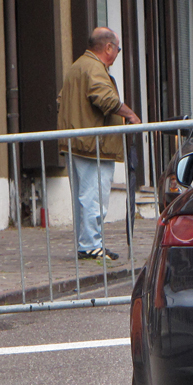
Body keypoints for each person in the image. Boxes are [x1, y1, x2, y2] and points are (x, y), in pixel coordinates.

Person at [58, 27, 141, 261]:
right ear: (107, 48)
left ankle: (89, 243)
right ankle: (90, 245)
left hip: (76, 142)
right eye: (117, 49)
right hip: (93, 145)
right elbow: (105, 98)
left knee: (84, 197)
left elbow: (61, 100)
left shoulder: (77, 67)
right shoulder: (95, 68)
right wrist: (131, 115)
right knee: (94, 197)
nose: (116, 54)